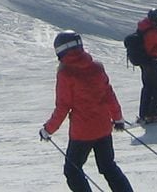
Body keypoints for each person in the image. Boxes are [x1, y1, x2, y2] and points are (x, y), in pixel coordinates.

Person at [39, 32, 135, 192]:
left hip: (82, 133)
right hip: (103, 127)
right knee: (108, 167)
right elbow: (109, 94)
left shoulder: (66, 73)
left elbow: (63, 106)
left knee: (72, 171)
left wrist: (48, 130)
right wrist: (118, 118)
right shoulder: (96, 67)